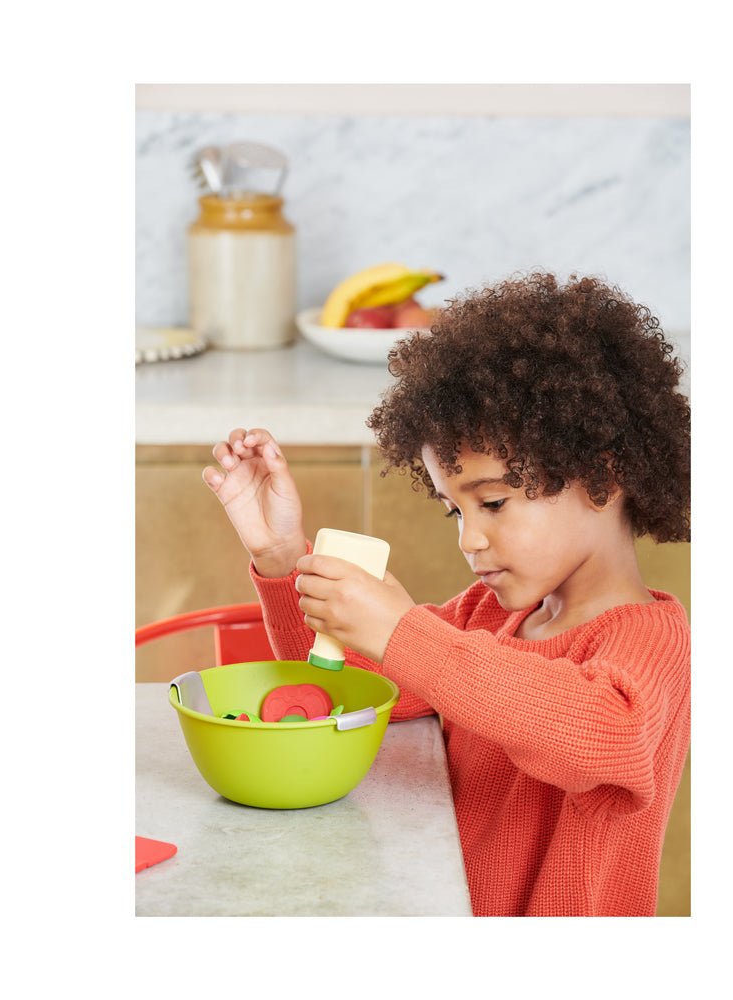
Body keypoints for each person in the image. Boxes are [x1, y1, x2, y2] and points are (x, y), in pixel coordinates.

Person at [202, 272, 691, 917]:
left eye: (494, 503)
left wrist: (404, 633)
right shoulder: (486, 616)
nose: (470, 539)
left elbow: (600, 735)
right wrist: (283, 557)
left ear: (603, 477)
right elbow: (342, 681)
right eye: (454, 511)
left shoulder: (649, 640)